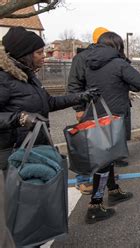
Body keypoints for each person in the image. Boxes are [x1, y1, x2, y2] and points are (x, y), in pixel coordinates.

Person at [83, 31, 140, 223]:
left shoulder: (90, 63)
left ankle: (113, 190)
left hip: (96, 116)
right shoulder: (118, 63)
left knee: (106, 158)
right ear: (117, 46)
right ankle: (95, 205)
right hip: (113, 117)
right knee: (104, 162)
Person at [0, 26, 97, 177]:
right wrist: (20, 118)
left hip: (36, 148)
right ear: (24, 55)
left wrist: (80, 96)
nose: (44, 56)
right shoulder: (4, 79)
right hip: (15, 154)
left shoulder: (29, 77)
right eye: (39, 53)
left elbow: (49, 102)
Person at [68, 26, 109, 195]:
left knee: (101, 144)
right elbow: (74, 85)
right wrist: (79, 108)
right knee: (86, 144)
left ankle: (102, 176)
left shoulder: (106, 57)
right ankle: (83, 180)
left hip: (102, 108)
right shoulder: (82, 58)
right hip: (88, 108)